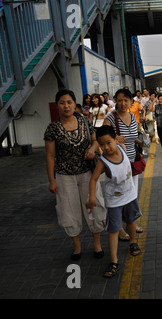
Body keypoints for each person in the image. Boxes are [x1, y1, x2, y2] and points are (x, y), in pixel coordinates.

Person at [44, 89, 106, 261]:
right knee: (68, 210)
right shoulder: (52, 129)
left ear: (74, 103)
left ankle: (97, 244)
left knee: (94, 205)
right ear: (57, 105)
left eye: (69, 102)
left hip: (87, 173)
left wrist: (93, 149)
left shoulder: (85, 122)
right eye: (62, 102)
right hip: (64, 176)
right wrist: (51, 180)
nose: (66, 106)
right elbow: (50, 156)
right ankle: (77, 246)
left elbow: (95, 140)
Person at [86, 125, 142, 278]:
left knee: (131, 221)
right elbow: (93, 179)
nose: (106, 147)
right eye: (102, 144)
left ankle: (132, 242)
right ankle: (114, 261)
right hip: (114, 200)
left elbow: (126, 139)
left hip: (129, 194)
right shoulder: (103, 161)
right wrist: (92, 197)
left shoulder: (122, 147)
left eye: (108, 143)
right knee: (114, 230)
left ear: (116, 140)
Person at [103, 88, 144, 237]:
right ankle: (119, 228)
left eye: (126, 100)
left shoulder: (133, 117)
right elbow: (103, 139)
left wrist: (139, 141)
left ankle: (131, 223)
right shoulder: (110, 118)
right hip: (117, 165)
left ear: (131, 102)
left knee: (131, 195)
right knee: (119, 196)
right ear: (115, 101)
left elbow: (131, 136)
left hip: (131, 162)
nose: (122, 103)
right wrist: (115, 139)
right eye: (119, 100)